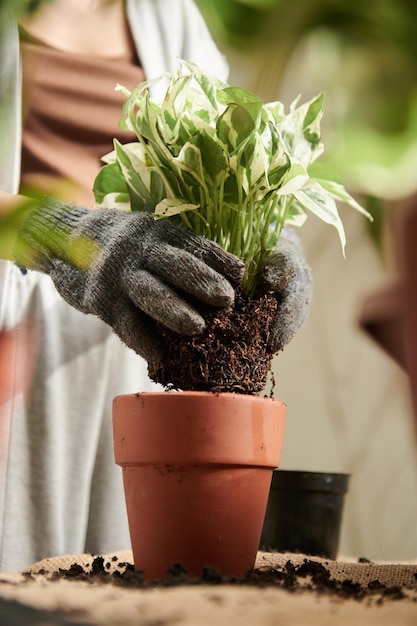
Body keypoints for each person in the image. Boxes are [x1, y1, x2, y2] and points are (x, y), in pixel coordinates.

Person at [0, 0, 312, 572]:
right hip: (14, 357)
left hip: (138, 352)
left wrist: (273, 238)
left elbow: (236, 158)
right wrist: (73, 238)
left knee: (132, 581)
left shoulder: (171, 16)